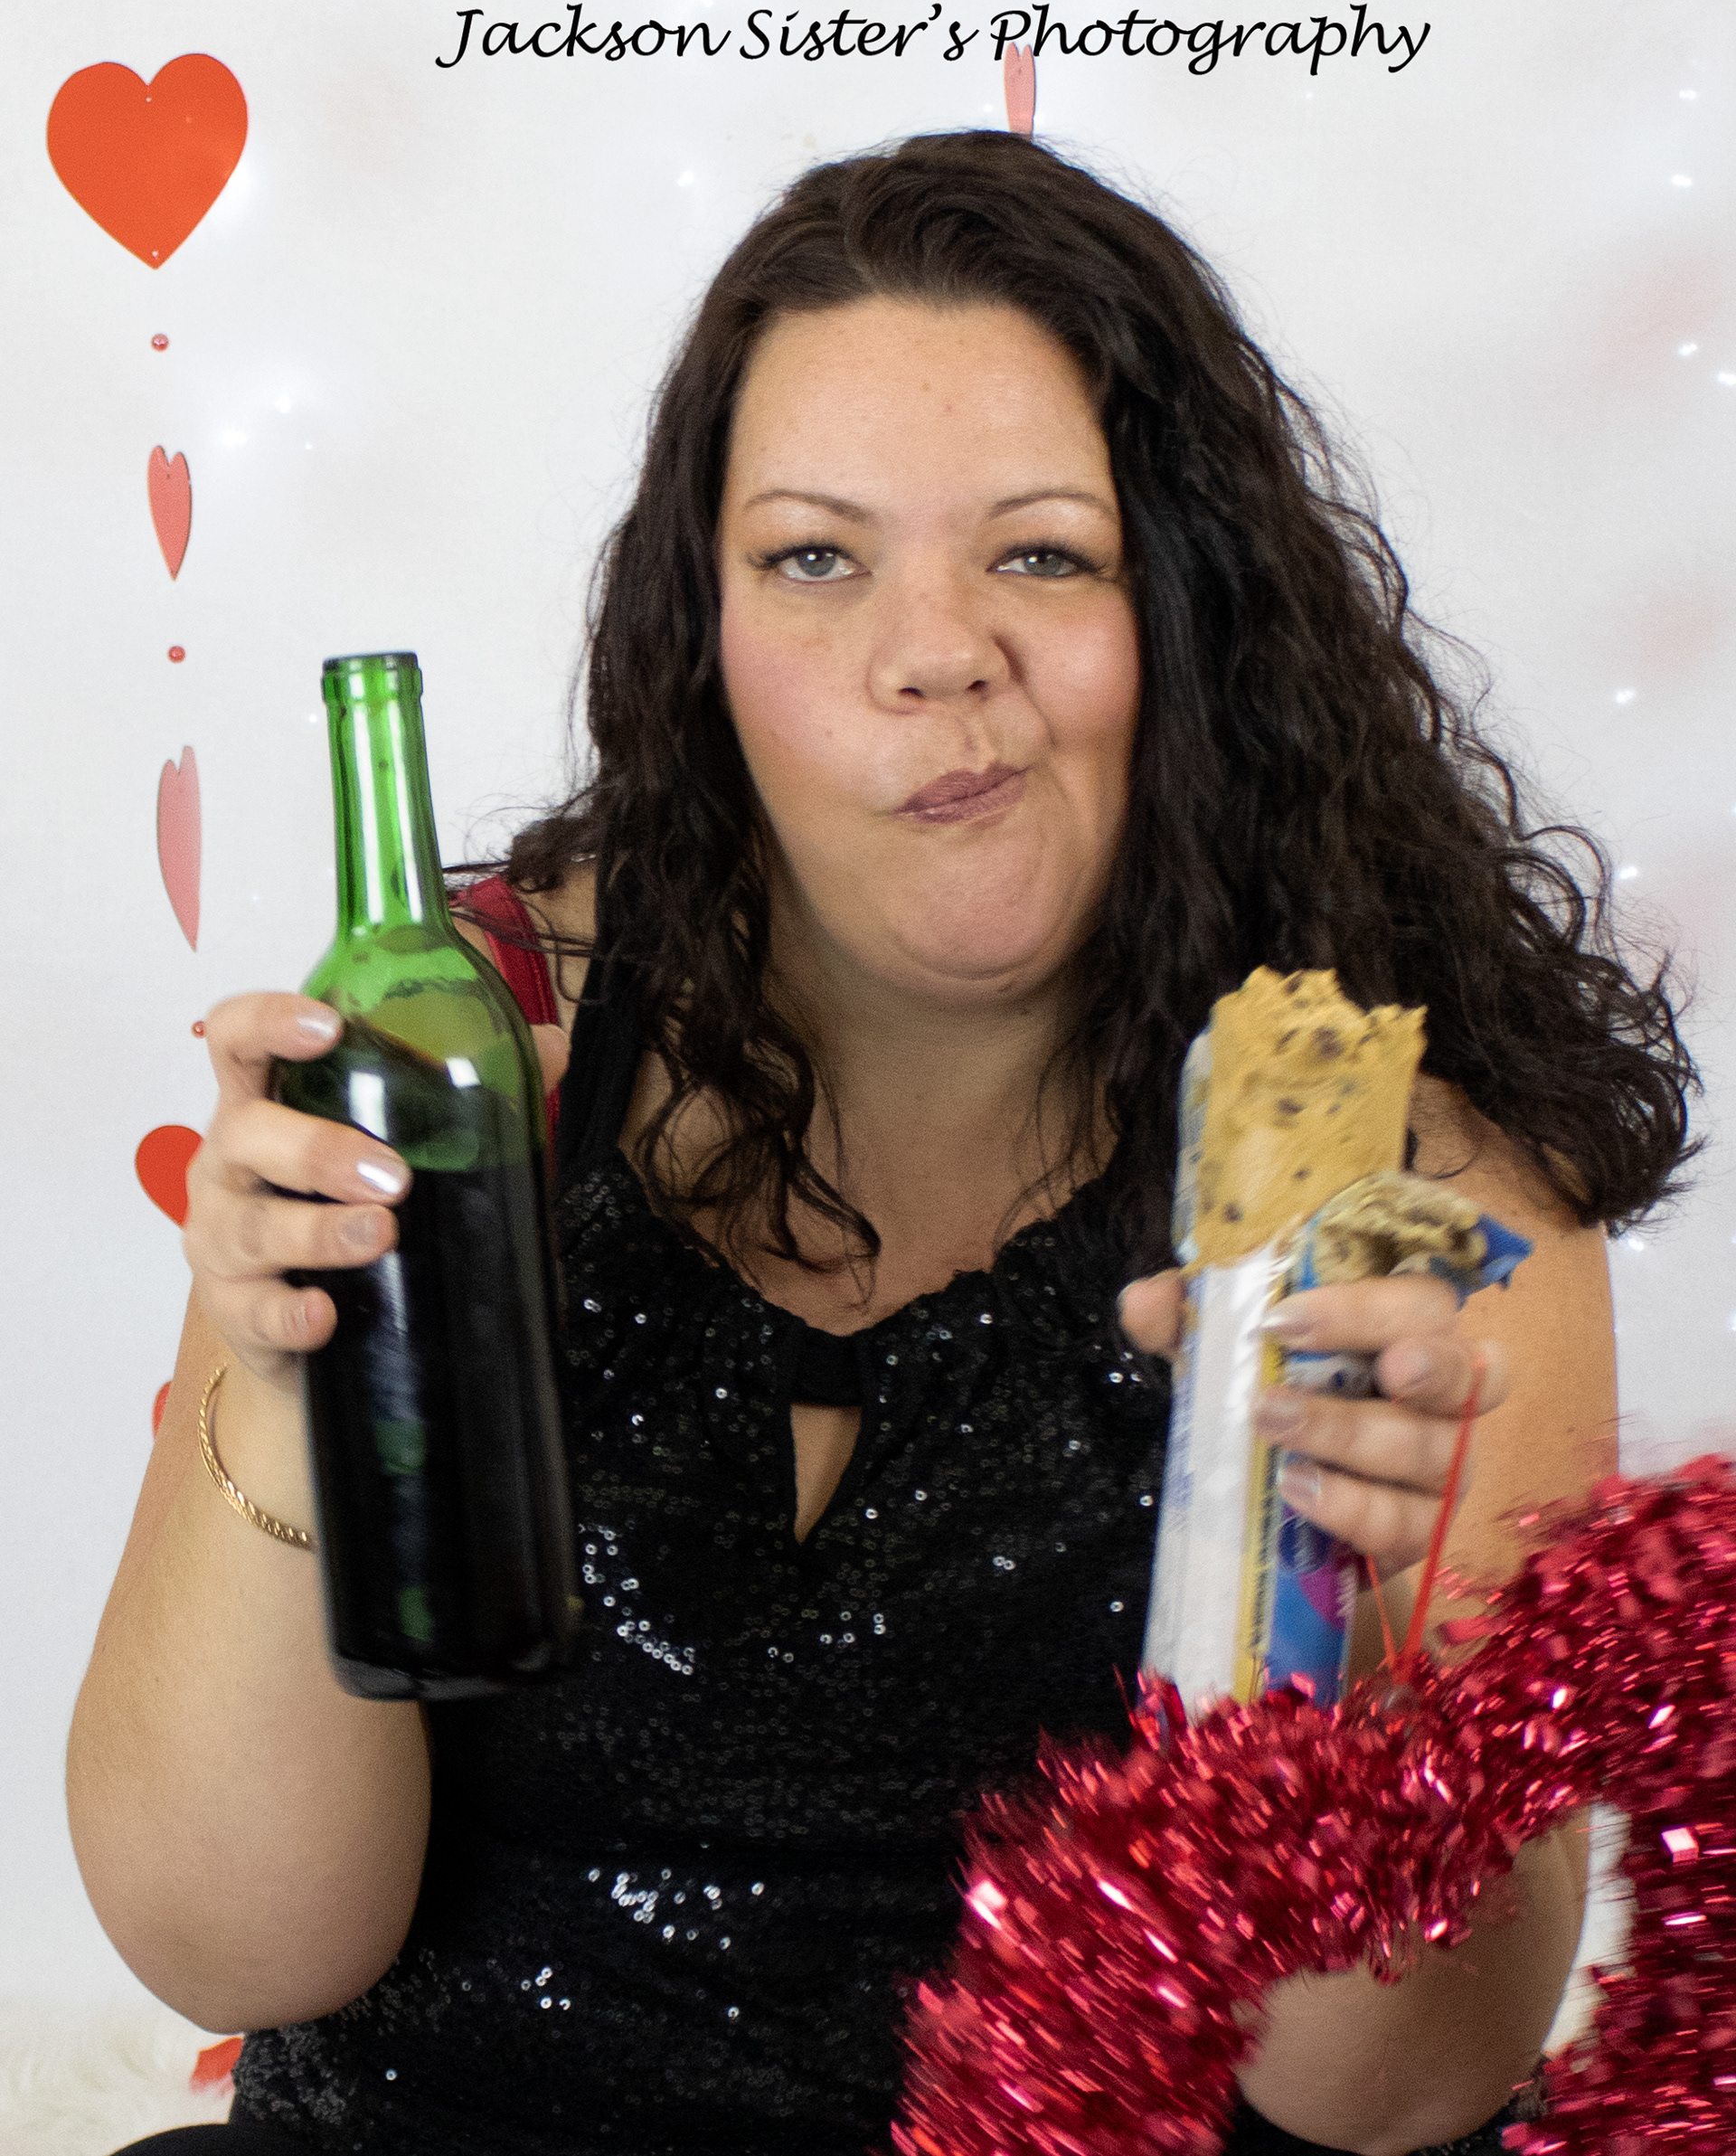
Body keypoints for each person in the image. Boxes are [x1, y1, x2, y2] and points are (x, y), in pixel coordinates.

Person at [69, 133, 1694, 2156]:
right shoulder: (462, 1052)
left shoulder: (1414, 1192)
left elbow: (1399, 2095)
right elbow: (231, 1941)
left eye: (1042, 553)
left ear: (1186, 610)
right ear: (703, 635)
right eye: (816, 558)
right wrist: (297, 1375)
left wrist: (1341, 1640)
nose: (934, 650)